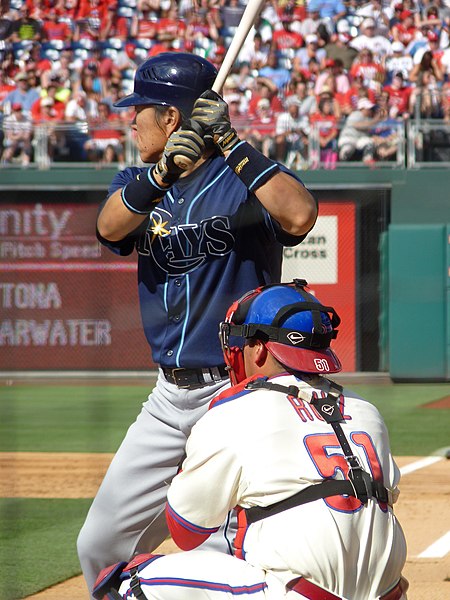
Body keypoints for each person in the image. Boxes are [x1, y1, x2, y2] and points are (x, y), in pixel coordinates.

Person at [77, 52, 317, 598]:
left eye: (140, 110)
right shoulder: (138, 180)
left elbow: (300, 214)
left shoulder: (243, 181)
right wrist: (161, 173)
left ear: (171, 117)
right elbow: (109, 226)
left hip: (239, 393)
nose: (130, 120)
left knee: (220, 552)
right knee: (98, 542)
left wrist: (231, 145)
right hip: (168, 397)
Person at [93, 280, 408, 600]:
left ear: (258, 348)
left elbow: (186, 532)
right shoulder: (367, 410)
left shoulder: (236, 410)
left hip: (299, 594)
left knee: (125, 581)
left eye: (239, 341)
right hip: (387, 593)